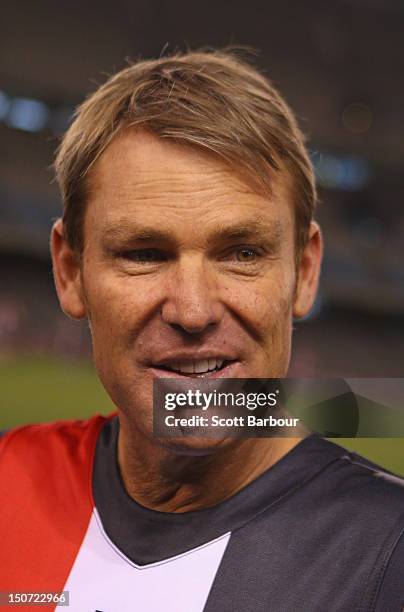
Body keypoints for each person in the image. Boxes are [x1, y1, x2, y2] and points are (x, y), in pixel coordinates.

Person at [0, 50, 403, 612]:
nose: (193, 311)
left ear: (305, 273)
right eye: (144, 253)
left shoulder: (387, 556)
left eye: (242, 252)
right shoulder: (7, 485)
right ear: (70, 272)